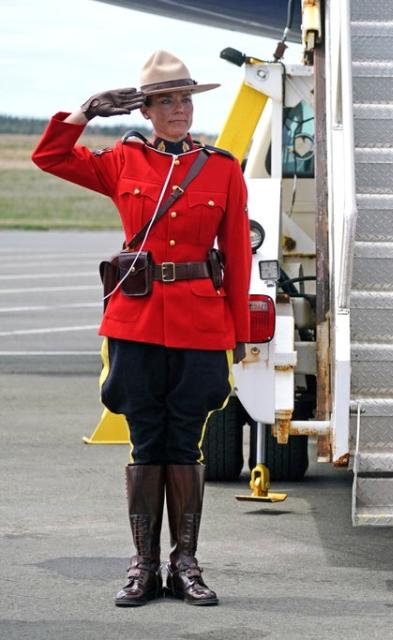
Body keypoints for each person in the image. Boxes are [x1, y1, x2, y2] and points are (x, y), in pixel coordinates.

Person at [32, 50, 252, 607]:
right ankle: (144, 566)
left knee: (186, 441)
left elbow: (237, 258)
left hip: (200, 322)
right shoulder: (123, 161)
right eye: (166, 101)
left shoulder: (223, 167)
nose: (179, 109)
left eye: (185, 99)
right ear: (146, 110)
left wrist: (238, 331)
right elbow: (50, 157)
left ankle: (186, 565)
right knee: (145, 439)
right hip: (134, 321)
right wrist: (85, 113)